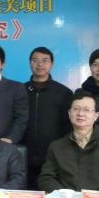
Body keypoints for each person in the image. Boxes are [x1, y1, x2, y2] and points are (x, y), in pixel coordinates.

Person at [37, 91, 99, 195]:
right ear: (69, 113)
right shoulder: (56, 146)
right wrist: (64, 195)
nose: (80, 113)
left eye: (86, 109)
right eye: (76, 109)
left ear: (96, 116)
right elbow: (46, 178)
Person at [23, 47, 73, 188]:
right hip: (23, 156)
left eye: (45, 60)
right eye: (35, 60)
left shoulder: (64, 93)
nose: (40, 64)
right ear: (30, 63)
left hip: (53, 157)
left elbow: (68, 126)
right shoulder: (19, 90)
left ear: (52, 64)